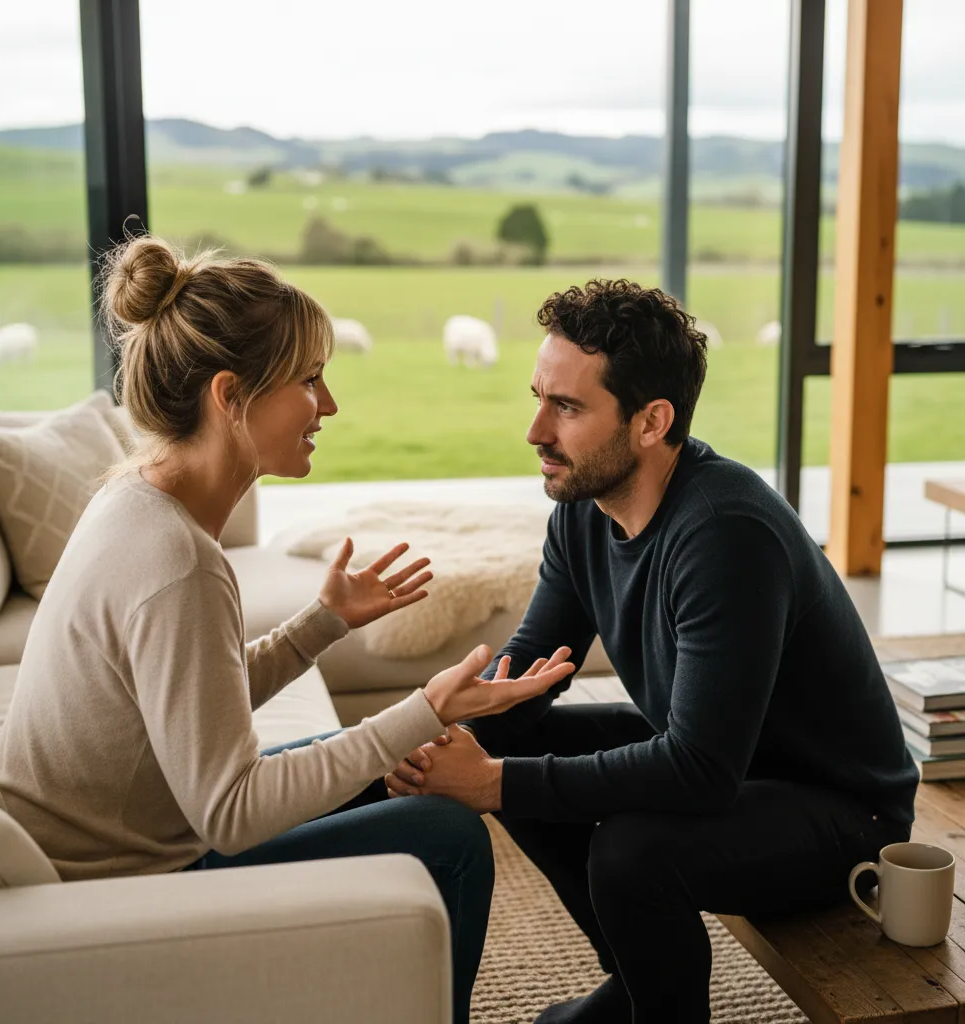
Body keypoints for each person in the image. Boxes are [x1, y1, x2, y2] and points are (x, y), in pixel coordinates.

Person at [0, 235, 576, 1024]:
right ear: (231, 396)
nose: (328, 405)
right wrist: (426, 709)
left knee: (396, 763)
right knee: (448, 836)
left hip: (134, 835)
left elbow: (189, 699)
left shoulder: (137, 502)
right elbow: (229, 811)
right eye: (309, 380)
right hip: (126, 882)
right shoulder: (176, 563)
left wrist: (320, 626)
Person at [385, 278, 918, 1023]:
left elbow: (699, 772)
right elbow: (526, 684)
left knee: (628, 850)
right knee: (513, 744)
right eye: (538, 397)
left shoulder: (725, 532)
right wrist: (426, 734)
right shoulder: (583, 512)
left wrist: (492, 782)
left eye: (566, 408)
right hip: (730, 759)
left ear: (650, 422)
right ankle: (636, 987)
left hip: (839, 810)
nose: (536, 431)